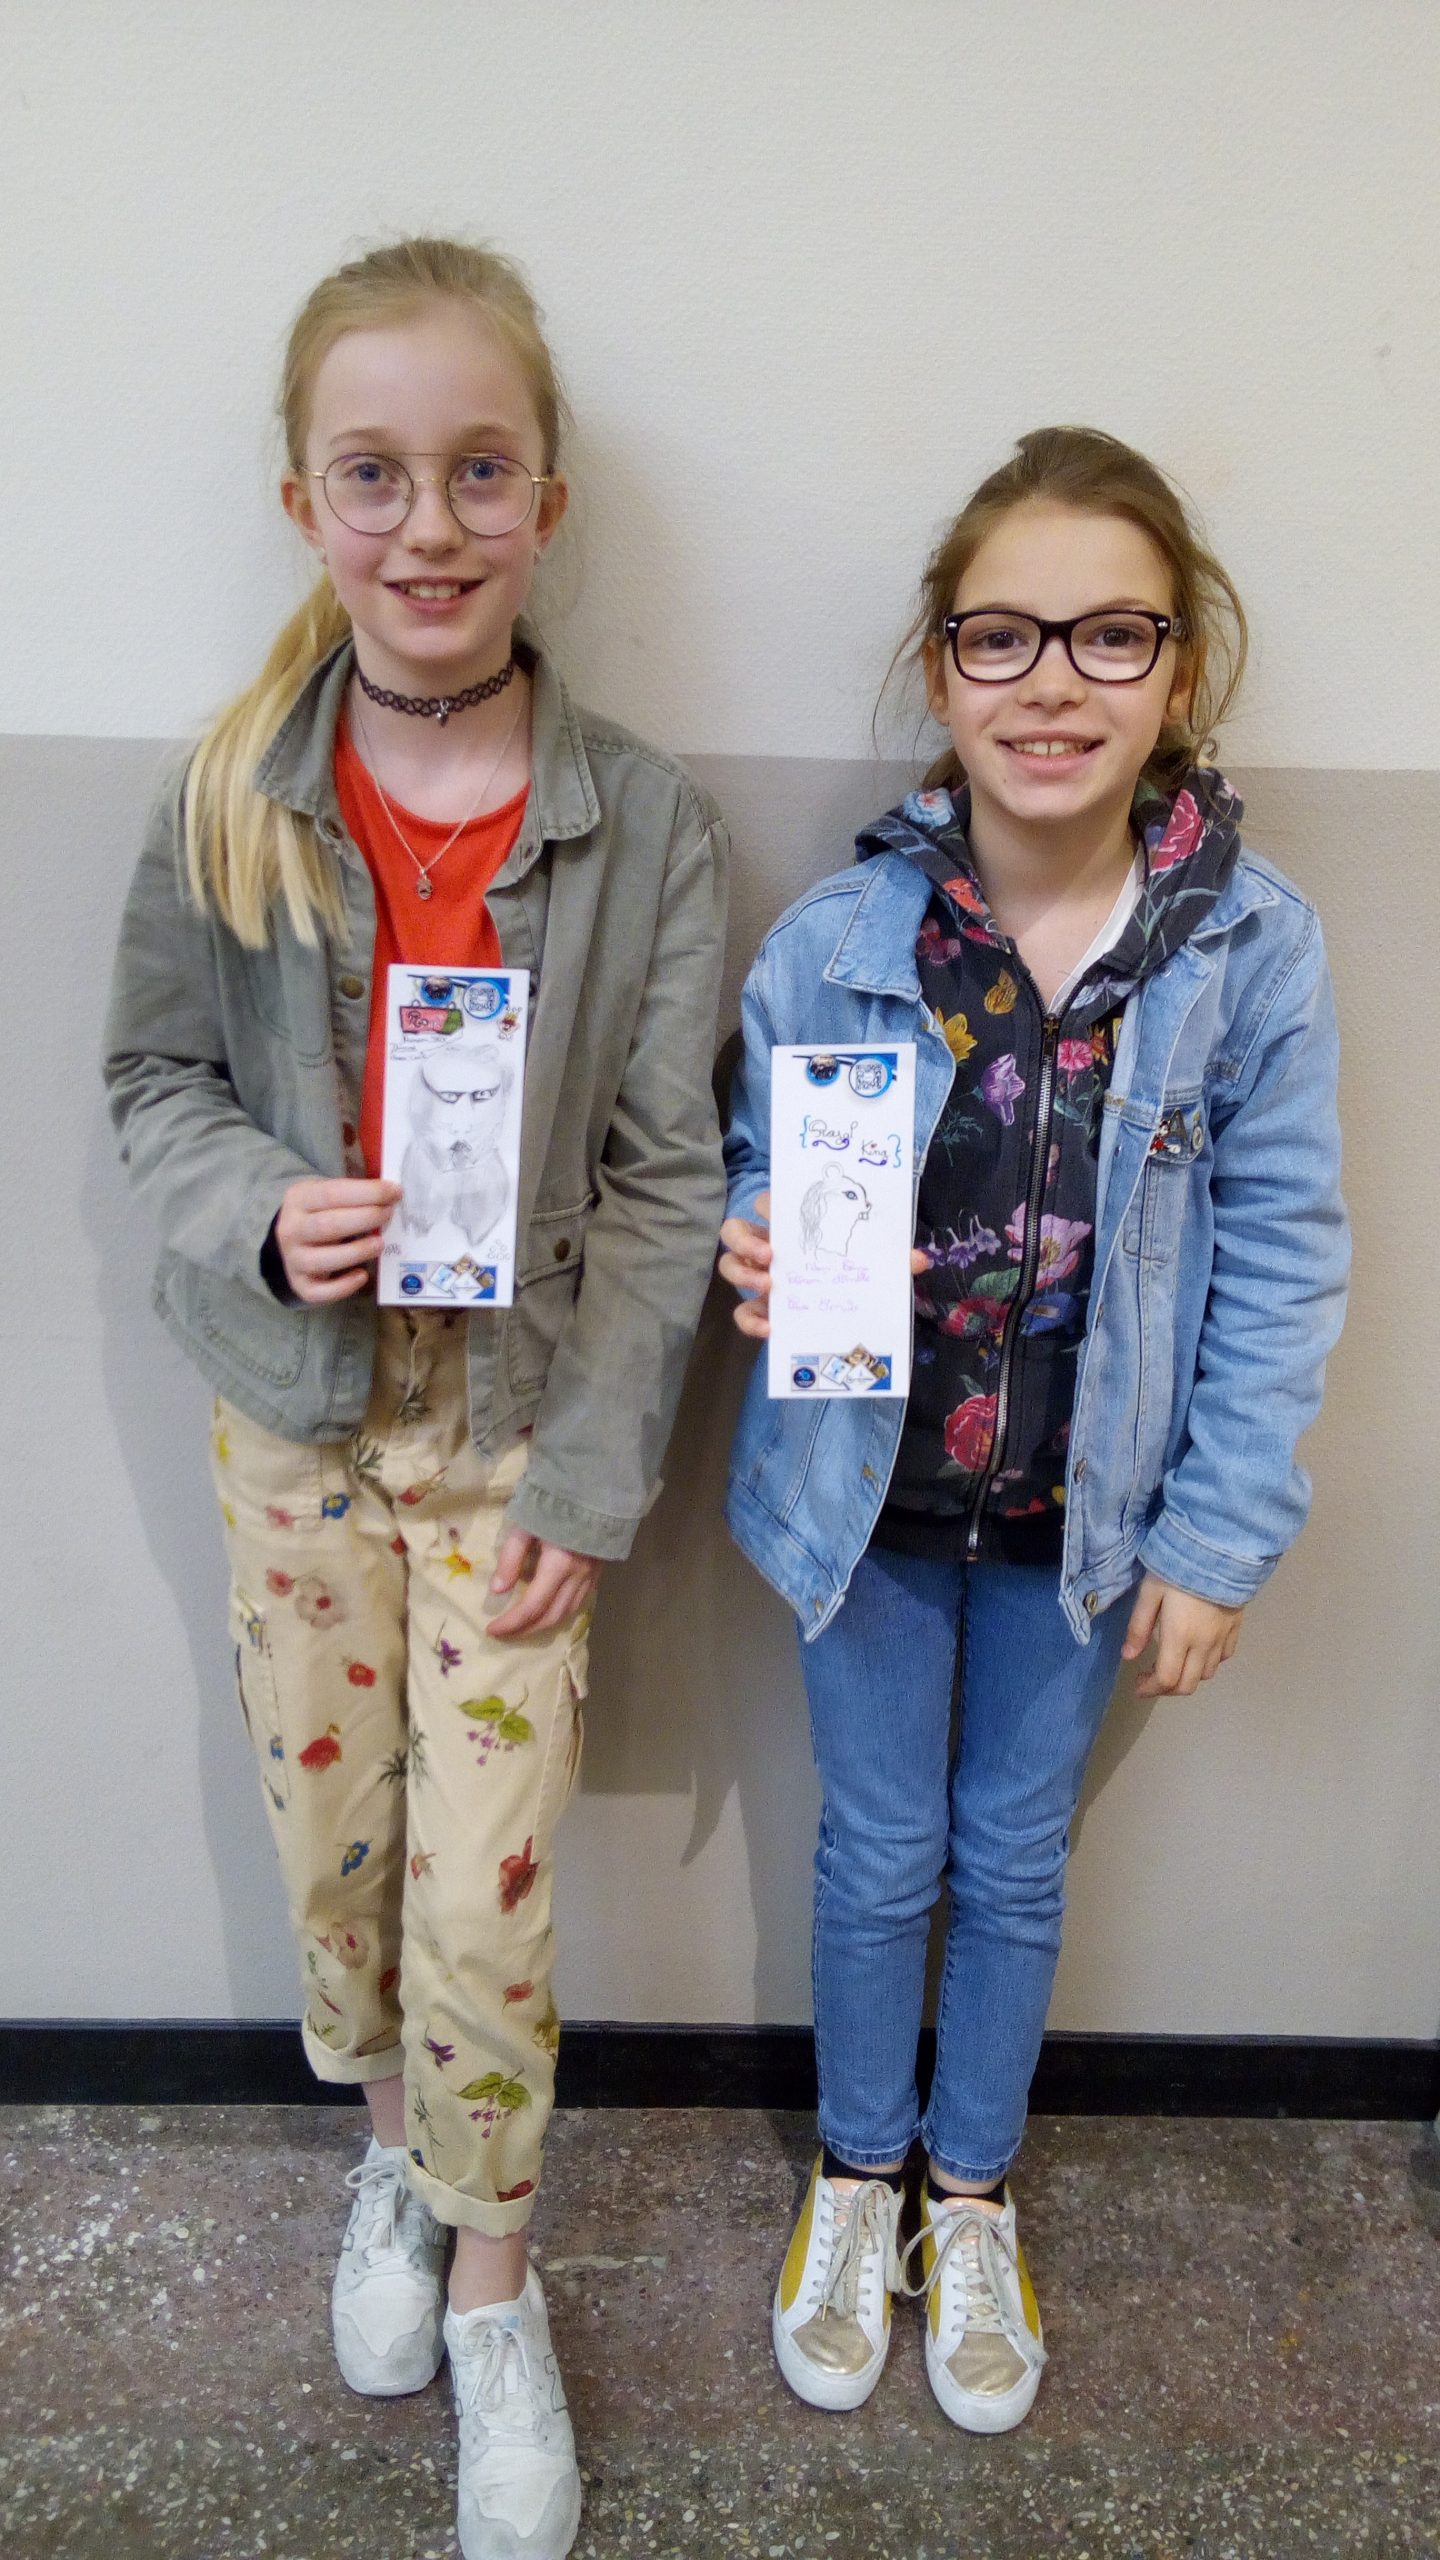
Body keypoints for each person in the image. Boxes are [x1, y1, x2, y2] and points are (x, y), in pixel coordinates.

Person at [104, 236, 727, 2560]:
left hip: (517, 1436)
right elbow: (151, 1082)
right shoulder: (226, 797)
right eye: (374, 473)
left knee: (491, 1882)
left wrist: (594, 1466)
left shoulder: (643, 825)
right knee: (339, 1849)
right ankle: (391, 2156)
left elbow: (666, 1180)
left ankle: (494, 2280)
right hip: (294, 1423)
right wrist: (268, 1206)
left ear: (546, 499)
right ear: (304, 502)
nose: (429, 523)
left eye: (479, 470)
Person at [719, 427, 1348, 2435]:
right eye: (1003, 635)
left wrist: (1221, 1535)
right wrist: (756, 1236)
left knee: (1008, 1853)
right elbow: (761, 1158)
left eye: (1109, 634)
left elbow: (1287, 1252)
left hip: (1093, 1513)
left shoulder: (1249, 948)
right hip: (868, 1502)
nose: (1053, 681)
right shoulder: (842, 938)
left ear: (1180, 668)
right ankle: (857, 2172)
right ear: (943, 665)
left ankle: (971, 2188)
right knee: (877, 1850)